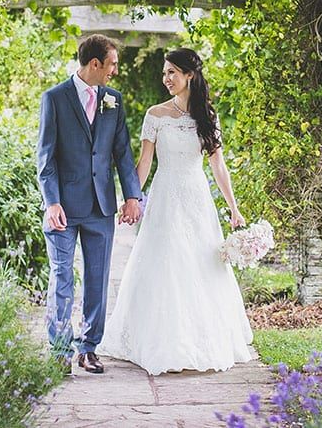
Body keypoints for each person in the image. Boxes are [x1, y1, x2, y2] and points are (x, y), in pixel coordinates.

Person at [98, 47, 253, 375]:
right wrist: (132, 198)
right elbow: (144, 163)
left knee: (201, 267)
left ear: (189, 76)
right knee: (164, 264)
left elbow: (218, 166)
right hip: (165, 197)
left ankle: (199, 340)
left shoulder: (208, 117)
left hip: (197, 200)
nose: (166, 78)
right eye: (165, 72)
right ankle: (158, 341)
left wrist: (234, 209)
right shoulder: (155, 114)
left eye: (172, 72)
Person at [37, 34, 143, 375]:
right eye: (112, 64)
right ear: (95, 64)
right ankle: (59, 350)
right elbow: (46, 157)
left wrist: (132, 196)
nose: (114, 71)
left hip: (100, 206)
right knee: (62, 276)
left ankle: (88, 348)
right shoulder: (54, 98)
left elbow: (122, 153)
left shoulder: (113, 100)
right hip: (64, 209)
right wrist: (51, 202)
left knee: (98, 279)